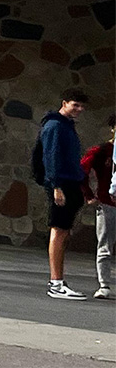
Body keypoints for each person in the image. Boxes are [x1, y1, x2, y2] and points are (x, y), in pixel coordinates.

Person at [38, 87, 89, 300]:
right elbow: (51, 157)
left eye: (81, 106)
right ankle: (56, 282)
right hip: (61, 184)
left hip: (70, 182)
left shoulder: (66, 127)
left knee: (63, 230)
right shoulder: (55, 127)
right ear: (64, 102)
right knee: (58, 231)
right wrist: (56, 186)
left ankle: (58, 280)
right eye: (75, 105)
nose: (78, 109)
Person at [81, 113, 115, 300]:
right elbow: (82, 170)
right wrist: (89, 195)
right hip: (108, 202)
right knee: (105, 245)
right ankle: (104, 284)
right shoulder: (102, 150)